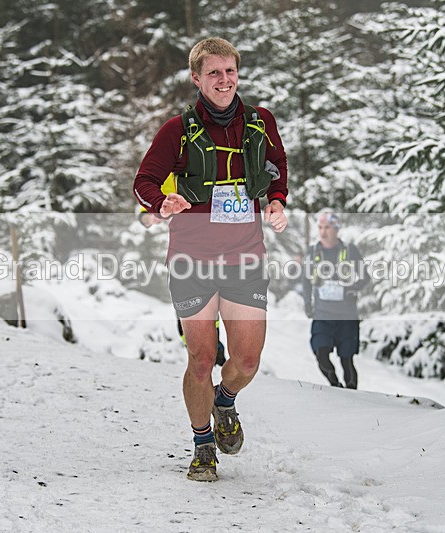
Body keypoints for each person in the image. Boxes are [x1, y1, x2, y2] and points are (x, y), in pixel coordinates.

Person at [133, 37, 288, 481]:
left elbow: (277, 166)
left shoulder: (260, 123)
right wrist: (161, 204)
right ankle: (203, 445)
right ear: (197, 78)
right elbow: (145, 180)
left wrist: (276, 201)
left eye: (230, 71)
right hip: (192, 259)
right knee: (200, 360)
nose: (224, 80)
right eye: (214, 73)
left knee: (246, 362)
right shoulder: (176, 130)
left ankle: (225, 400)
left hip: (245, 257)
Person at [137, 174, 226, 367]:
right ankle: (197, 351)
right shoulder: (171, 173)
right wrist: (151, 217)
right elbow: (146, 211)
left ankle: (215, 351)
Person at [302, 212, 369, 389]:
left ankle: (352, 395)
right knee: (321, 354)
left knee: (346, 360)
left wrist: (352, 289)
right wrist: (307, 303)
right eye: (320, 227)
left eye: (328, 228)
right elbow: (306, 280)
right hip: (323, 314)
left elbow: (365, 277)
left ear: (336, 229)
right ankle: (336, 387)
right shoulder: (313, 252)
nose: (323, 232)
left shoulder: (349, 250)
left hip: (346, 316)